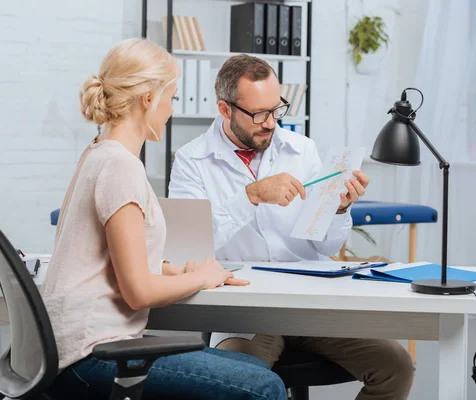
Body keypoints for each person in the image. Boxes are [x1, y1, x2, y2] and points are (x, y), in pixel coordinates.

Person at [41, 40, 287, 400]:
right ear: (147, 100)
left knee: (254, 371)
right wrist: (202, 277)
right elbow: (138, 292)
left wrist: (176, 271)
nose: (171, 109)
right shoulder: (120, 166)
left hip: (73, 349)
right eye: (171, 98)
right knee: (265, 387)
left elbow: (113, 261)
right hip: (92, 355)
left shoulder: (97, 152)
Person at [169, 54, 415, 400]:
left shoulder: (302, 150)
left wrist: (338, 209)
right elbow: (189, 252)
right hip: (247, 313)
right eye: (258, 114)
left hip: (309, 306)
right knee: (239, 386)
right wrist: (251, 196)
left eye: (276, 110)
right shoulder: (191, 161)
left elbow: (325, 246)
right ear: (225, 110)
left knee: (396, 366)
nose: (270, 123)